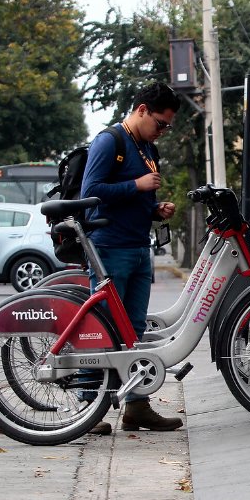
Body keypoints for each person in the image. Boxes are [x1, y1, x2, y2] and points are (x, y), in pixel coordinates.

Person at [80, 81, 183, 434]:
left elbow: (134, 198)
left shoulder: (145, 147)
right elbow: (90, 191)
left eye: (168, 126)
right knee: (103, 329)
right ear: (141, 110)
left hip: (140, 247)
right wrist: (136, 186)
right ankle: (86, 408)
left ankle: (137, 406)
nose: (163, 132)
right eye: (160, 123)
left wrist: (156, 209)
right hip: (111, 247)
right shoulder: (111, 141)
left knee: (133, 331)